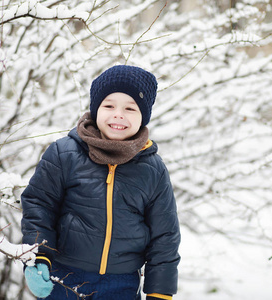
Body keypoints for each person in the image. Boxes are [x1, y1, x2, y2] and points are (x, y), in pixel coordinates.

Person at [21, 65, 181, 300]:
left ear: (143, 117)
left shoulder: (153, 170)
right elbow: (39, 205)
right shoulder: (64, 154)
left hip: (122, 284)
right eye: (109, 106)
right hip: (64, 277)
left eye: (130, 108)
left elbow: (165, 236)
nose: (118, 114)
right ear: (96, 109)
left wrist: (160, 291)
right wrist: (39, 256)